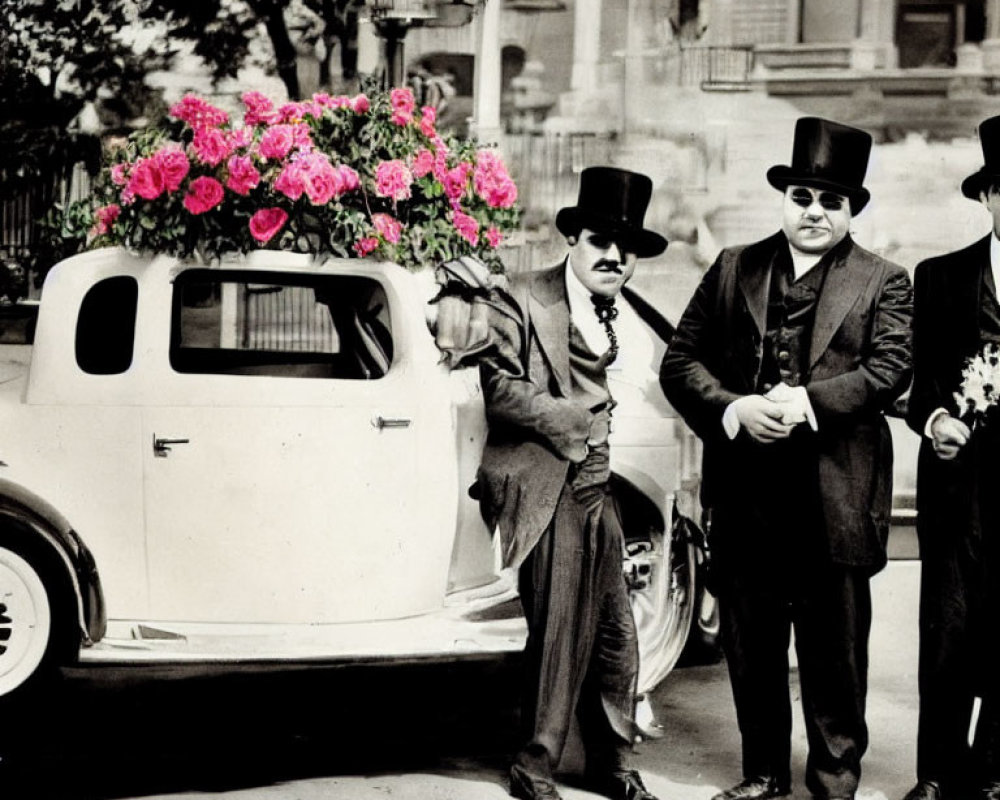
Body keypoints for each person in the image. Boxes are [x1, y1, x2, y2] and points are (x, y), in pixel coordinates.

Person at [659, 117, 913, 800]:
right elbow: (680, 363)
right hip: (748, 498)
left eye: (832, 201)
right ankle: (764, 775)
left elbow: (889, 369)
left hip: (833, 498)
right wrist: (733, 409)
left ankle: (834, 782)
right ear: (785, 198)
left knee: (835, 654)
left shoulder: (884, 280)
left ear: (852, 210)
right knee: (753, 647)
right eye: (803, 196)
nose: (815, 212)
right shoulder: (733, 266)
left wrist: (805, 403)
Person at [474, 166, 667, 800]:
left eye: (627, 247)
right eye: (600, 241)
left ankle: (612, 761)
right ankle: (534, 766)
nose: (614, 256)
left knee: (615, 629)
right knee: (559, 627)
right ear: (573, 240)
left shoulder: (627, 317)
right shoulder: (525, 296)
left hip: (597, 485)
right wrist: (577, 423)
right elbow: (501, 391)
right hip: (545, 481)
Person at [903, 114, 1000, 800]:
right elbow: (917, 382)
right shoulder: (940, 277)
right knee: (946, 629)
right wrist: (936, 418)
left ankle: (995, 771)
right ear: (988, 196)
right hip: (956, 489)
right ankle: (936, 774)